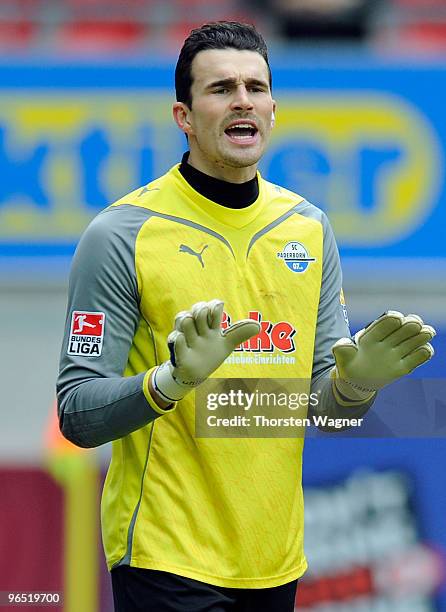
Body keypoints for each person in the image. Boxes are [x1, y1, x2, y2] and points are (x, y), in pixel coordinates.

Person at [57, 21, 435, 612]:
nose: (242, 100)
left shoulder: (308, 228)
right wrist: (172, 382)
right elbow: (77, 414)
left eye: (255, 87)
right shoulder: (120, 235)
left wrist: (357, 385)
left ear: (273, 109)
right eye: (221, 88)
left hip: (275, 563)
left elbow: (317, 410)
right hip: (165, 556)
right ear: (183, 115)